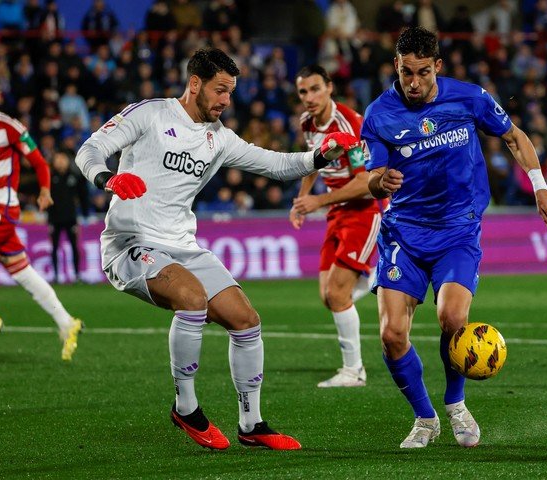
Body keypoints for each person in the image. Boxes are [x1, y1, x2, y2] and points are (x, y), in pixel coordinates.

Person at [74, 48, 358, 451]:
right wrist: (108, 178)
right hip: (130, 243)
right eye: (220, 91)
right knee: (191, 298)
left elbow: (276, 164)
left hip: (183, 246)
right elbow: (88, 150)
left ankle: (252, 423)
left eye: (231, 92)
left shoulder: (218, 138)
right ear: (195, 84)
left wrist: (320, 155)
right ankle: (185, 407)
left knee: (246, 319)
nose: (226, 101)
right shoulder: (150, 113)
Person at [360, 27, 547, 449]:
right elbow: (370, 175)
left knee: (452, 320)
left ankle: (455, 405)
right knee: (391, 335)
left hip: (457, 230)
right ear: (395, 67)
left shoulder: (469, 97)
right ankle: (424, 418)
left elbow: (513, 137)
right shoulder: (379, 114)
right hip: (405, 232)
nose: (412, 83)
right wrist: (381, 181)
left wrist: (540, 186)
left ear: (437, 67)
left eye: (421, 72)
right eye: (404, 73)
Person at [0, 72, 83, 361]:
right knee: (21, 270)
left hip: (1, 208)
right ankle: (66, 322)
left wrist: (45, 190)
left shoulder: (9, 127)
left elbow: (38, 162)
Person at [291, 64, 383, 388]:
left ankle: (354, 370)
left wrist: (318, 202)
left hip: (362, 211)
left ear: (329, 87)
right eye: (303, 92)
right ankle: (374, 280)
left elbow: (364, 183)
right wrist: (302, 200)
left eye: (315, 89)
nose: (309, 97)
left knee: (337, 293)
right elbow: (312, 162)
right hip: (336, 213)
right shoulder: (307, 123)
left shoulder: (349, 123)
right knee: (327, 296)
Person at [47, 150, 89, 283]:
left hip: (71, 218)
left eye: (62, 159)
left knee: (74, 247)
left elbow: (83, 196)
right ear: (54, 162)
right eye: (58, 159)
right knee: (54, 248)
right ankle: (55, 276)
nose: (60, 162)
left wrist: (85, 213)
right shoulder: (49, 178)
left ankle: (76, 275)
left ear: (67, 161)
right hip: (54, 218)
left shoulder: (74, 177)